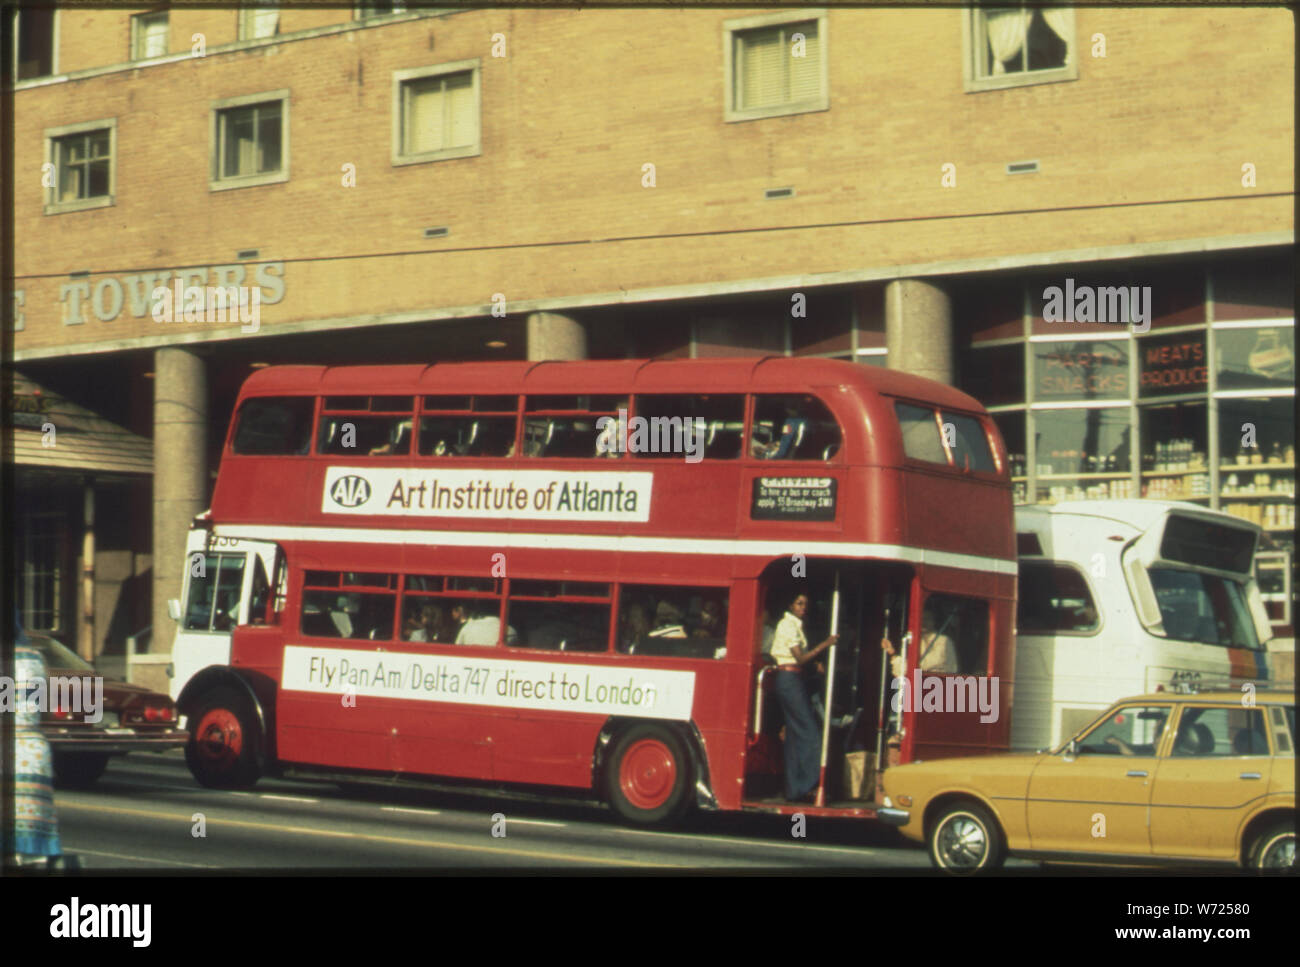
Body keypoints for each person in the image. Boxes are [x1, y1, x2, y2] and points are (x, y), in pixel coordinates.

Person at [769, 592, 838, 802]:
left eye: (806, 604)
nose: (803, 607)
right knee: (810, 733)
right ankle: (808, 783)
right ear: (790, 605)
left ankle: (794, 788)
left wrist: (813, 664)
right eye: (799, 603)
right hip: (789, 679)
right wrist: (826, 644)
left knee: (793, 736)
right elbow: (799, 657)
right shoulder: (787, 625)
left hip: (792, 679)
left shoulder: (795, 625)